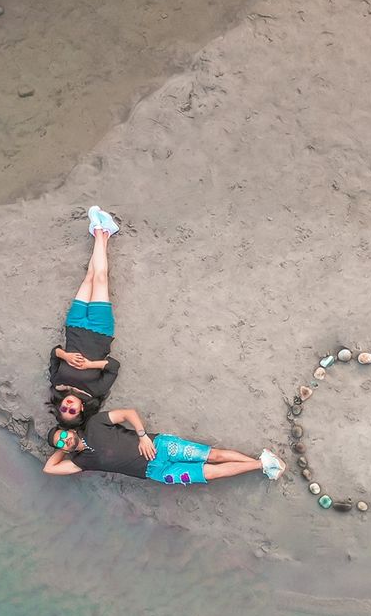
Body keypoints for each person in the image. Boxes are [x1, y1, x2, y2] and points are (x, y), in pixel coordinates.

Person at [43, 409, 285, 485]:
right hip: (155, 473)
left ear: (71, 430)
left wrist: (142, 436)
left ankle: (264, 462)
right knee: (210, 473)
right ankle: (261, 464)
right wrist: (63, 449)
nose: (65, 441)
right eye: (61, 443)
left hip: (161, 447)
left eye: (64, 436)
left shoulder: (95, 423)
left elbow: (128, 413)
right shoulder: (79, 462)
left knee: (213, 455)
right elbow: (49, 469)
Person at [49, 206, 122, 428]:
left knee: (89, 277)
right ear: (81, 409)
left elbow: (54, 353)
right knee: (100, 279)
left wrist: (66, 356)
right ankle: (99, 230)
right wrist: (92, 364)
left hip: (75, 326)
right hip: (100, 332)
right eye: (72, 410)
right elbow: (113, 366)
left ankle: (106, 233)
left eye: (64, 409)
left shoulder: (57, 383)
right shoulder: (96, 391)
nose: (68, 406)